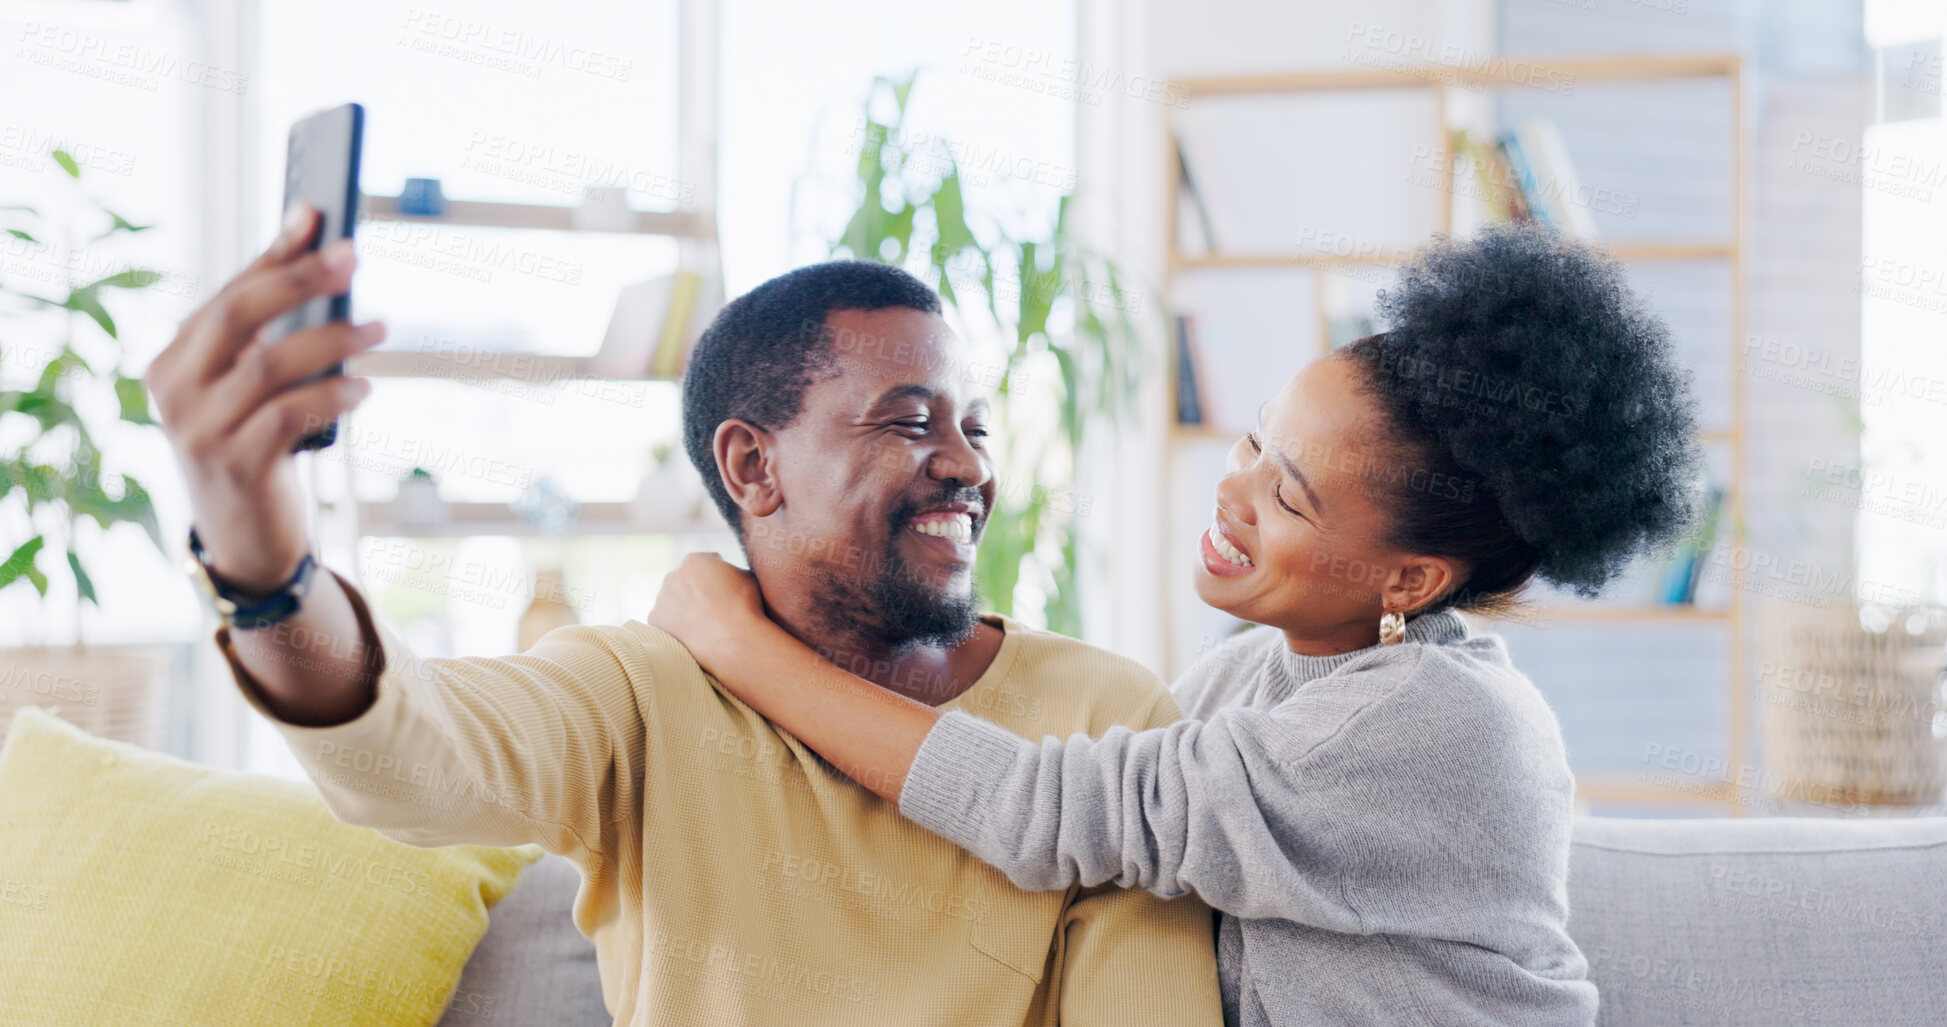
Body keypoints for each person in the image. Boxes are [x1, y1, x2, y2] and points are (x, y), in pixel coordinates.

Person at [142, 202, 1224, 1026]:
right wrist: (262, 567)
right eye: (907, 421)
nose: (964, 466)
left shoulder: (1107, 710)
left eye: (973, 427)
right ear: (754, 466)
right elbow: (408, 750)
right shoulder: (638, 695)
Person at [648, 222, 1706, 1026]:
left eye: (1290, 497)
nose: (1233, 492)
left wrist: (734, 636)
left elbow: (1039, 810)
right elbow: (1070, 832)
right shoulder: (1251, 679)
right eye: (1254, 443)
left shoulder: (1445, 718)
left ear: (1410, 576)